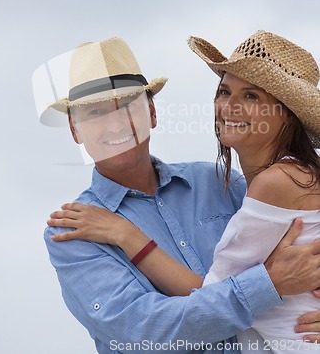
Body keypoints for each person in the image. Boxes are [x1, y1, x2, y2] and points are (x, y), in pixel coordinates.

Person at [42, 35, 320, 354]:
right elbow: (144, 331)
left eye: (128, 108)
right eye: (95, 114)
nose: (116, 125)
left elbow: (305, 240)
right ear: (75, 130)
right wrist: (269, 286)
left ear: (152, 114)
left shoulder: (220, 182)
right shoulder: (74, 232)